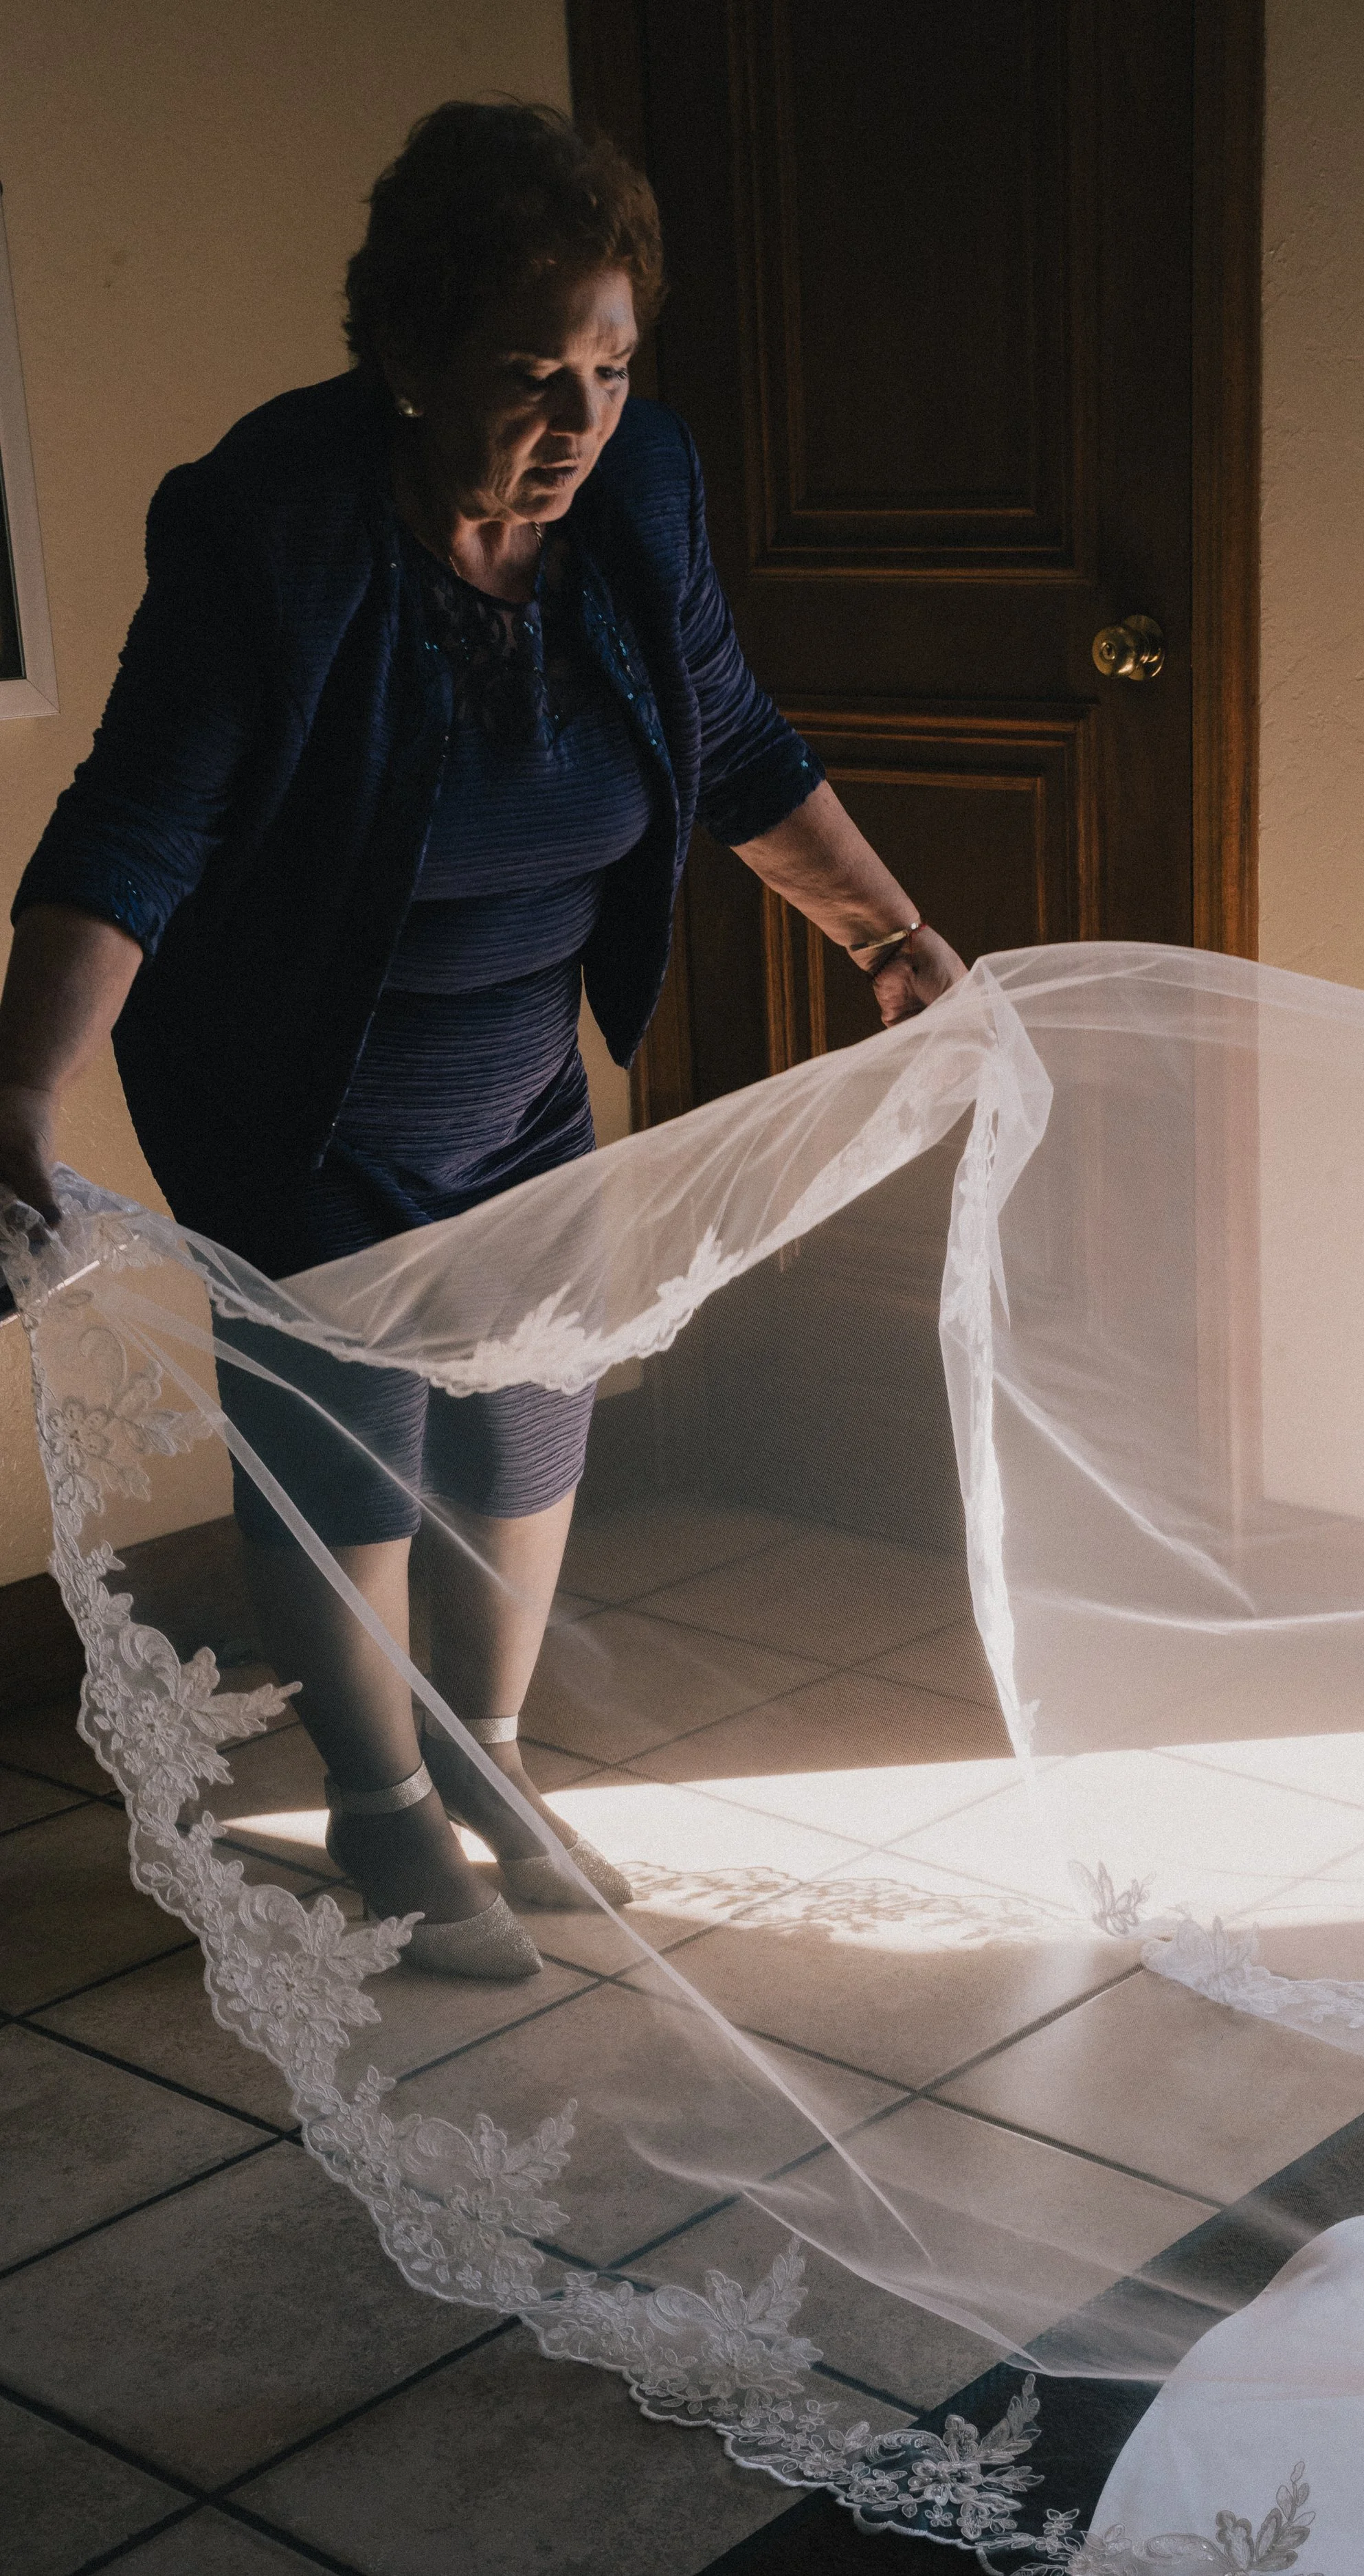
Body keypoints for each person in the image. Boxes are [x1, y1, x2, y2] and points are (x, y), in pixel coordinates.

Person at [0, 100, 963, 1980]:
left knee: (525, 1415)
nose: (582, 414)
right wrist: (18, 1086)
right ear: (408, 362)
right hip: (303, 1085)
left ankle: (487, 1757)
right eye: (533, 372)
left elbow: (738, 748)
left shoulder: (645, 492)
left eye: (610, 363)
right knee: (345, 1443)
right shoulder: (269, 522)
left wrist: (899, 937)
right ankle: (375, 1809)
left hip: (521, 1066)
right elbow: (139, 828)